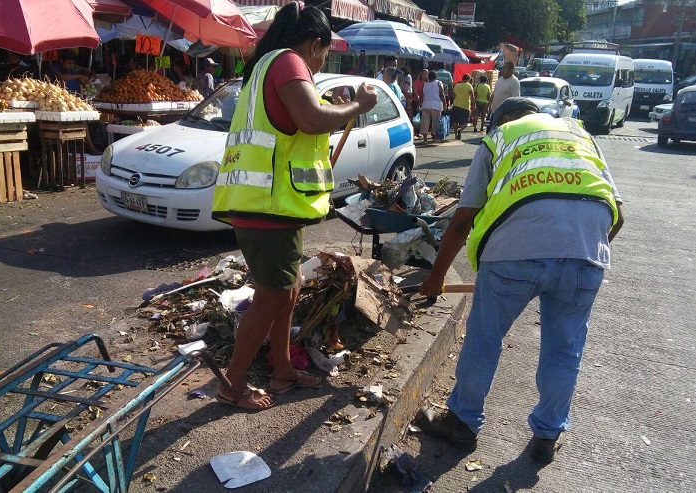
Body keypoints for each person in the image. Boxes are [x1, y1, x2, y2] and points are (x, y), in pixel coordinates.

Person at [415, 98, 624, 463]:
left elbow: (463, 219)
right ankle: (547, 435)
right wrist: (576, 250)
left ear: (506, 118)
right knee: (564, 348)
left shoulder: (500, 136)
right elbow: (618, 215)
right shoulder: (582, 134)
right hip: (587, 252)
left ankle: (462, 425)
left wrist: (436, 275)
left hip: (513, 252)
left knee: (485, 337)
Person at [210, 1, 377, 411]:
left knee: (289, 289)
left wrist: (329, 104)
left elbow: (297, 122)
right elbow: (311, 119)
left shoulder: (269, 64)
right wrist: (356, 106)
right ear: (314, 43)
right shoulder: (287, 61)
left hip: (271, 204)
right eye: (324, 54)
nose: (321, 64)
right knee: (271, 296)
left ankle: (282, 367)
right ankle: (232, 385)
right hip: (266, 205)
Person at [419, 70, 445, 145]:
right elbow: (442, 95)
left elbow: (422, 95)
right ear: (436, 76)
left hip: (426, 104)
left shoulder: (425, 84)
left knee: (425, 122)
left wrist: (419, 105)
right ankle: (434, 138)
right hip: (436, 105)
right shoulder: (439, 83)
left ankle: (425, 139)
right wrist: (445, 104)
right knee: (435, 122)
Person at [451, 73, 475, 140]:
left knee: (455, 120)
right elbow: (472, 96)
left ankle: (456, 134)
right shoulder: (469, 86)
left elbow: (453, 96)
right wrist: (474, 105)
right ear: (468, 79)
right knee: (465, 121)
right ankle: (460, 130)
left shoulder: (457, 85)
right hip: (465, 105)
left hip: (456, 104)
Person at [412, 68, 428, 136]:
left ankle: (419, 132)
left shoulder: (428, 82)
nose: (424, 75)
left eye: (426, 74)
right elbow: (415, 92)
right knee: (415, 117)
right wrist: (419, 102)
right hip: (416, 101)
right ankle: (415, 132)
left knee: (422, 118)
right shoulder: (417, 82)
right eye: (423, 74)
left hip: (424, 102)